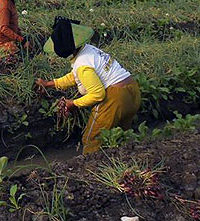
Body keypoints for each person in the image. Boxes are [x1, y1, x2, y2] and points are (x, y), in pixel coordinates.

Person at [35, 17, 141, 155]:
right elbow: (75, 76)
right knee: (119, 138)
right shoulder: (88, 50)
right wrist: (49, 84)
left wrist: (73, 103)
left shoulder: (82, 64)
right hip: (132, 91)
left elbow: (98, 94)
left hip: (116, 98)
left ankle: (90, 171)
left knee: (92, 140)